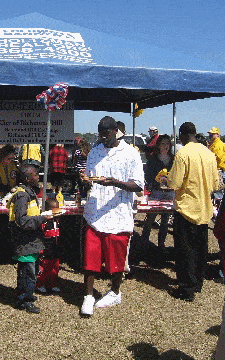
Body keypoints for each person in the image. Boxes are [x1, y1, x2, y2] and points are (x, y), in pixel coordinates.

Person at [79, 116, 144, 316]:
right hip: (95, 213)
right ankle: (88, 296)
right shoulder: (95, 152)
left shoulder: (130, 153)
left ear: (116, 131)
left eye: (106, 134)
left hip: (118, 214)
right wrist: (86, 181)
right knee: (90, 258)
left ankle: (115, 291)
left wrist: (115, 182)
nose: (103, 138)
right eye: (100, 135)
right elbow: (90, 177)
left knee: (116, 260)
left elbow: (139, 185)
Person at [167, 122, 218, 302]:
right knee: (200, 249)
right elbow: (215, 184)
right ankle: (197, 283)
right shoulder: (209, 153)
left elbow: (174, 183)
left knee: (185, 250)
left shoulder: (183, 153)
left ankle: (186, 288)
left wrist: (166, 178)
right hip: (204, 209)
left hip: (186, 209)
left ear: (182, 135)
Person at [7, 164, 51, 314]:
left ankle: (24, 296)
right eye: (35, 175)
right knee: (28, 273)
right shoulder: (22, 195)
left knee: (29, 271)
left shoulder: (29, 193)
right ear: (27, 178)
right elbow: (22, 220)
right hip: (24, 242)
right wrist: (42, 218)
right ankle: (26, 299)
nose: (38, 177)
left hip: (31, 242)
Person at [141, 134, 174, 263]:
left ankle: (161, 245)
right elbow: (148, 175)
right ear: (158, 146)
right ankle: (144, 244)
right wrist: (156, 180)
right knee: (150, 219)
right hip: (156, 192)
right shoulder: (153, 159)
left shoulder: (173, 158)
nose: (165, 146)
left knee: (165, 221)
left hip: (169, 192)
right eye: (163, 144)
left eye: (167, 144)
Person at [36, 198, 63, 294]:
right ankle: (40, 284)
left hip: (55, 248)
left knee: (55, 268)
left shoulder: (58, 221)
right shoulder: (44, 222)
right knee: (44, 268)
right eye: (54, 209)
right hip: (46, 249)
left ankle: (53, 284)